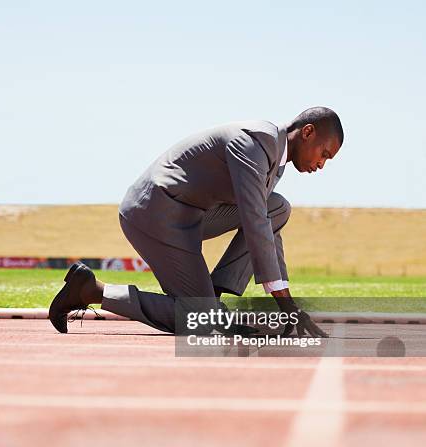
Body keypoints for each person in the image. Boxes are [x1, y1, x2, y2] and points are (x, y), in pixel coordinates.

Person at [49, 107, 343, 337]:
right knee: (200, 322)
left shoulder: (274, 158)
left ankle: (212, 297)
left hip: (189, 214)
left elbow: (265, 224)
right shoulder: (256, 144)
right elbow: (254, 223)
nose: (321, 164)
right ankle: (92, 290)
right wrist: (287, 305)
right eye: (324, 154)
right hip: (155, 212)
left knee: (277, 207)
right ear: (307, 132)